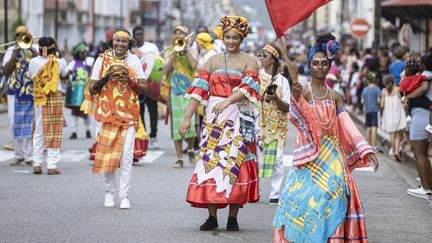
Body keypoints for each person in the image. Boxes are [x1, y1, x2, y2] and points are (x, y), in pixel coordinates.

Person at [273, 33, 378, 243]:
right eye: (315, 63)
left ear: (329, 66)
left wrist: (366, 149)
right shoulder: (302, 91)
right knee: (297, 198)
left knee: (334, 194)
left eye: (324, 63)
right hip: (308, 155)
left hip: (332, 155)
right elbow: (294, 116)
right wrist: (293, 98)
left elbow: (347, 125)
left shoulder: (335, 96)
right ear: (310, 66)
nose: (320, 67)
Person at [179, 15, 260, 231]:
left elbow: (248, 89)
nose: (231, 41)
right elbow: (198, 91)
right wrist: (187, 117)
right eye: (228, 37)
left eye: (235, 37)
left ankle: (233, 218)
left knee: (236, 162)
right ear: (222, 38)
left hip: (238, 116)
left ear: (242, 39)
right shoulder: (212, 61)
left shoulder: (250, 61)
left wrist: (228, 101)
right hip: (214, 119)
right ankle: (212, 217)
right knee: (211, 162)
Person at [87, 29, 146, 209]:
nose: (120, 44)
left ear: (128, 44)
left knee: (126, 156)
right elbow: (92, 89)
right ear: (112, 42)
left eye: (124, 41)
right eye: (117, 41)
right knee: (108, 155)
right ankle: (109, 193)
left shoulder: (134, 60)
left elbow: (143, 90)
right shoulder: (101, 59)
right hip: (106, 114)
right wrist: (106, 77)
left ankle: (125, 196)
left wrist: (129, 79)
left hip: (128, 114)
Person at [28, 36, 68, 175]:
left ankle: (37, 164)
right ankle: (51, 165)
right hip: (54, 97)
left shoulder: (32, 62)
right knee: (55, 130)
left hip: (39, 99)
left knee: (39, 131)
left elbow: (30, 76)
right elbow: (64, 76)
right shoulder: (59, 62)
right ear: (53, 48)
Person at [257, 44, 290, 204]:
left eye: (264, 55)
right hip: (259, 124)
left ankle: (275, 194)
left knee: (277, 160)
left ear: (273, 59)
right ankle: (256, 191)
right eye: (260, 55)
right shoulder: (256, 77)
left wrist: (276, 98)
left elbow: (287, 106)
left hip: (277, 126)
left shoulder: (283, 81)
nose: (261, 58)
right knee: (257, 158)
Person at [162, 25, 197, 168]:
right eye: (176, 34)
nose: (179, 36)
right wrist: (175, 54)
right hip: (175, 92)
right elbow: (164, 70)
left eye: (181, 34)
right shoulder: (169, 51)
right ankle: (179, 158)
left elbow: (194, 65)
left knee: (191, 124)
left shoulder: (192, 49)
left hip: (190, 91)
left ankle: (190, 150)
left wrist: (185, 51)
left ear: (187, 36)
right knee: (176, 124)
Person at [2, 26, 38, 166]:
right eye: (18, 35)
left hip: (30, 91)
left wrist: (33, 52)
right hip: (14, 92)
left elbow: (40, 66)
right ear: (16, 36)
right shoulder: (11, 50)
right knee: (14, 123)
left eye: (24, 34)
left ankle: (29, 156)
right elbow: (5, 70)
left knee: (29, 123)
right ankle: (19, 154)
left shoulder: (34, 49)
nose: (21, 37)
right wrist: (14, 54)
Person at [404, 52, 432, 199]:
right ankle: (428, 185)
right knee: (424, 153)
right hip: (427, 117)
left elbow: (421, 92)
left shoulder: (425, 76)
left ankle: (426, 188)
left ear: (423, 64)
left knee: (418, 153)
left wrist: (407, 97)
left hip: (421, 116)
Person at [132, 26, 160, 149]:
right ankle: (143, 135)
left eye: (141, 34)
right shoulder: (131, 49)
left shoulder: (152, 47)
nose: (140, 36)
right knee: (140, 111)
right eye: (137, 34)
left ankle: (153, 136)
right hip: (139, 86)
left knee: (153, 111)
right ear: (133, 36)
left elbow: (159, 62)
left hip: (152, 86)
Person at [67, 43, 92, 139]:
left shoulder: (88, 63)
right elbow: (67, 73)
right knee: (75, 113)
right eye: (82, 52)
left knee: (87, 113)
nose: (84, 54)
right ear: (77, 53)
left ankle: (88, 130)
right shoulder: (73, 63)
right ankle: (74, 131)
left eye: (85, 52)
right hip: (75, 92)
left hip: (85, 92)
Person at [400, 58, 432, 130]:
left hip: (410, 101)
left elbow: (401, 91)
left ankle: (408, 117)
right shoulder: (419, 77)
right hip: (420, 98)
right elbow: (428, 78)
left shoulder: (404, 81)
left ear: (406, 70)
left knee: (408, 109)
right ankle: (430, 126)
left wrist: (403, 96)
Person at [381, 75, 406, 161]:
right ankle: (397, 152)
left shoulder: (384, 91)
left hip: (388, 115)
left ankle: (393, 151)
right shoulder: (397, 89)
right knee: (397, 135)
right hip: (397, 113)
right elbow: (402, 99)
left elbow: (382, 104)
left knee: (391, 135)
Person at [361, 71, 381, 150]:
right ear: (376, 80)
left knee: (368, 128)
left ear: (368, 80)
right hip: (375, 110)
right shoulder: (377, 89)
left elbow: (362, 101)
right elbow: (379, 101)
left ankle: (367, 145)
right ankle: (374, 145)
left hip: (367, 110)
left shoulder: (365, 89)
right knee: (374, 128)